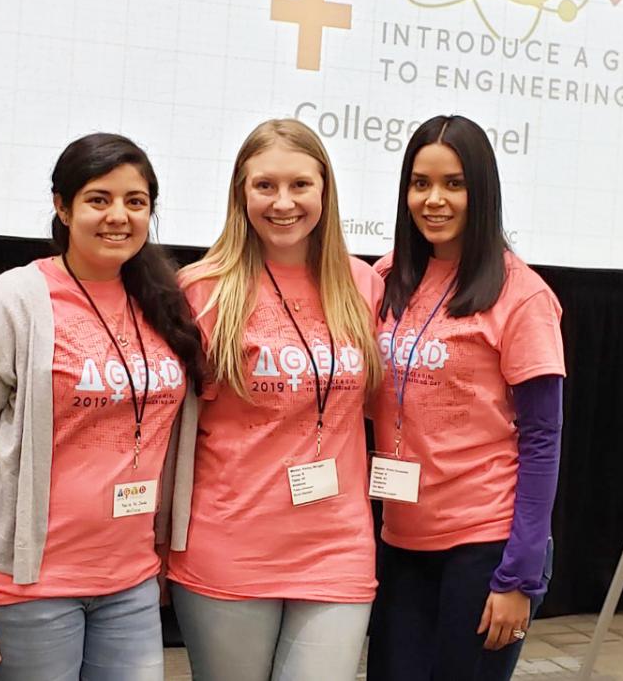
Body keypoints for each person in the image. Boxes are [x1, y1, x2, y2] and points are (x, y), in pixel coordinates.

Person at [0, 133, 204, 680]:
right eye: (99, 199)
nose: (118, 216)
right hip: (29, 588)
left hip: (131, 585)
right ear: (62, 205)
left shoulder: (164, 302)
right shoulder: (9, 303)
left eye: (136, 201)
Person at [167, 118, 383, 681]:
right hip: (229, 543)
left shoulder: (364, 287)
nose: (283, 202)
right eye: (265, 185)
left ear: (325, 191)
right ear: (241, 192)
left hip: (337, 545)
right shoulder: (201, 290)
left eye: (300, 185)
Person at [366, 114, 565, 681]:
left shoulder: (521, 295)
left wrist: (521, 576)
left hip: (485, 544)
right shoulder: (384, 280)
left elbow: (543, 439)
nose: (434, 200)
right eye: (420, 183)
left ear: (482, 191)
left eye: (454, 184)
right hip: (401, 537)